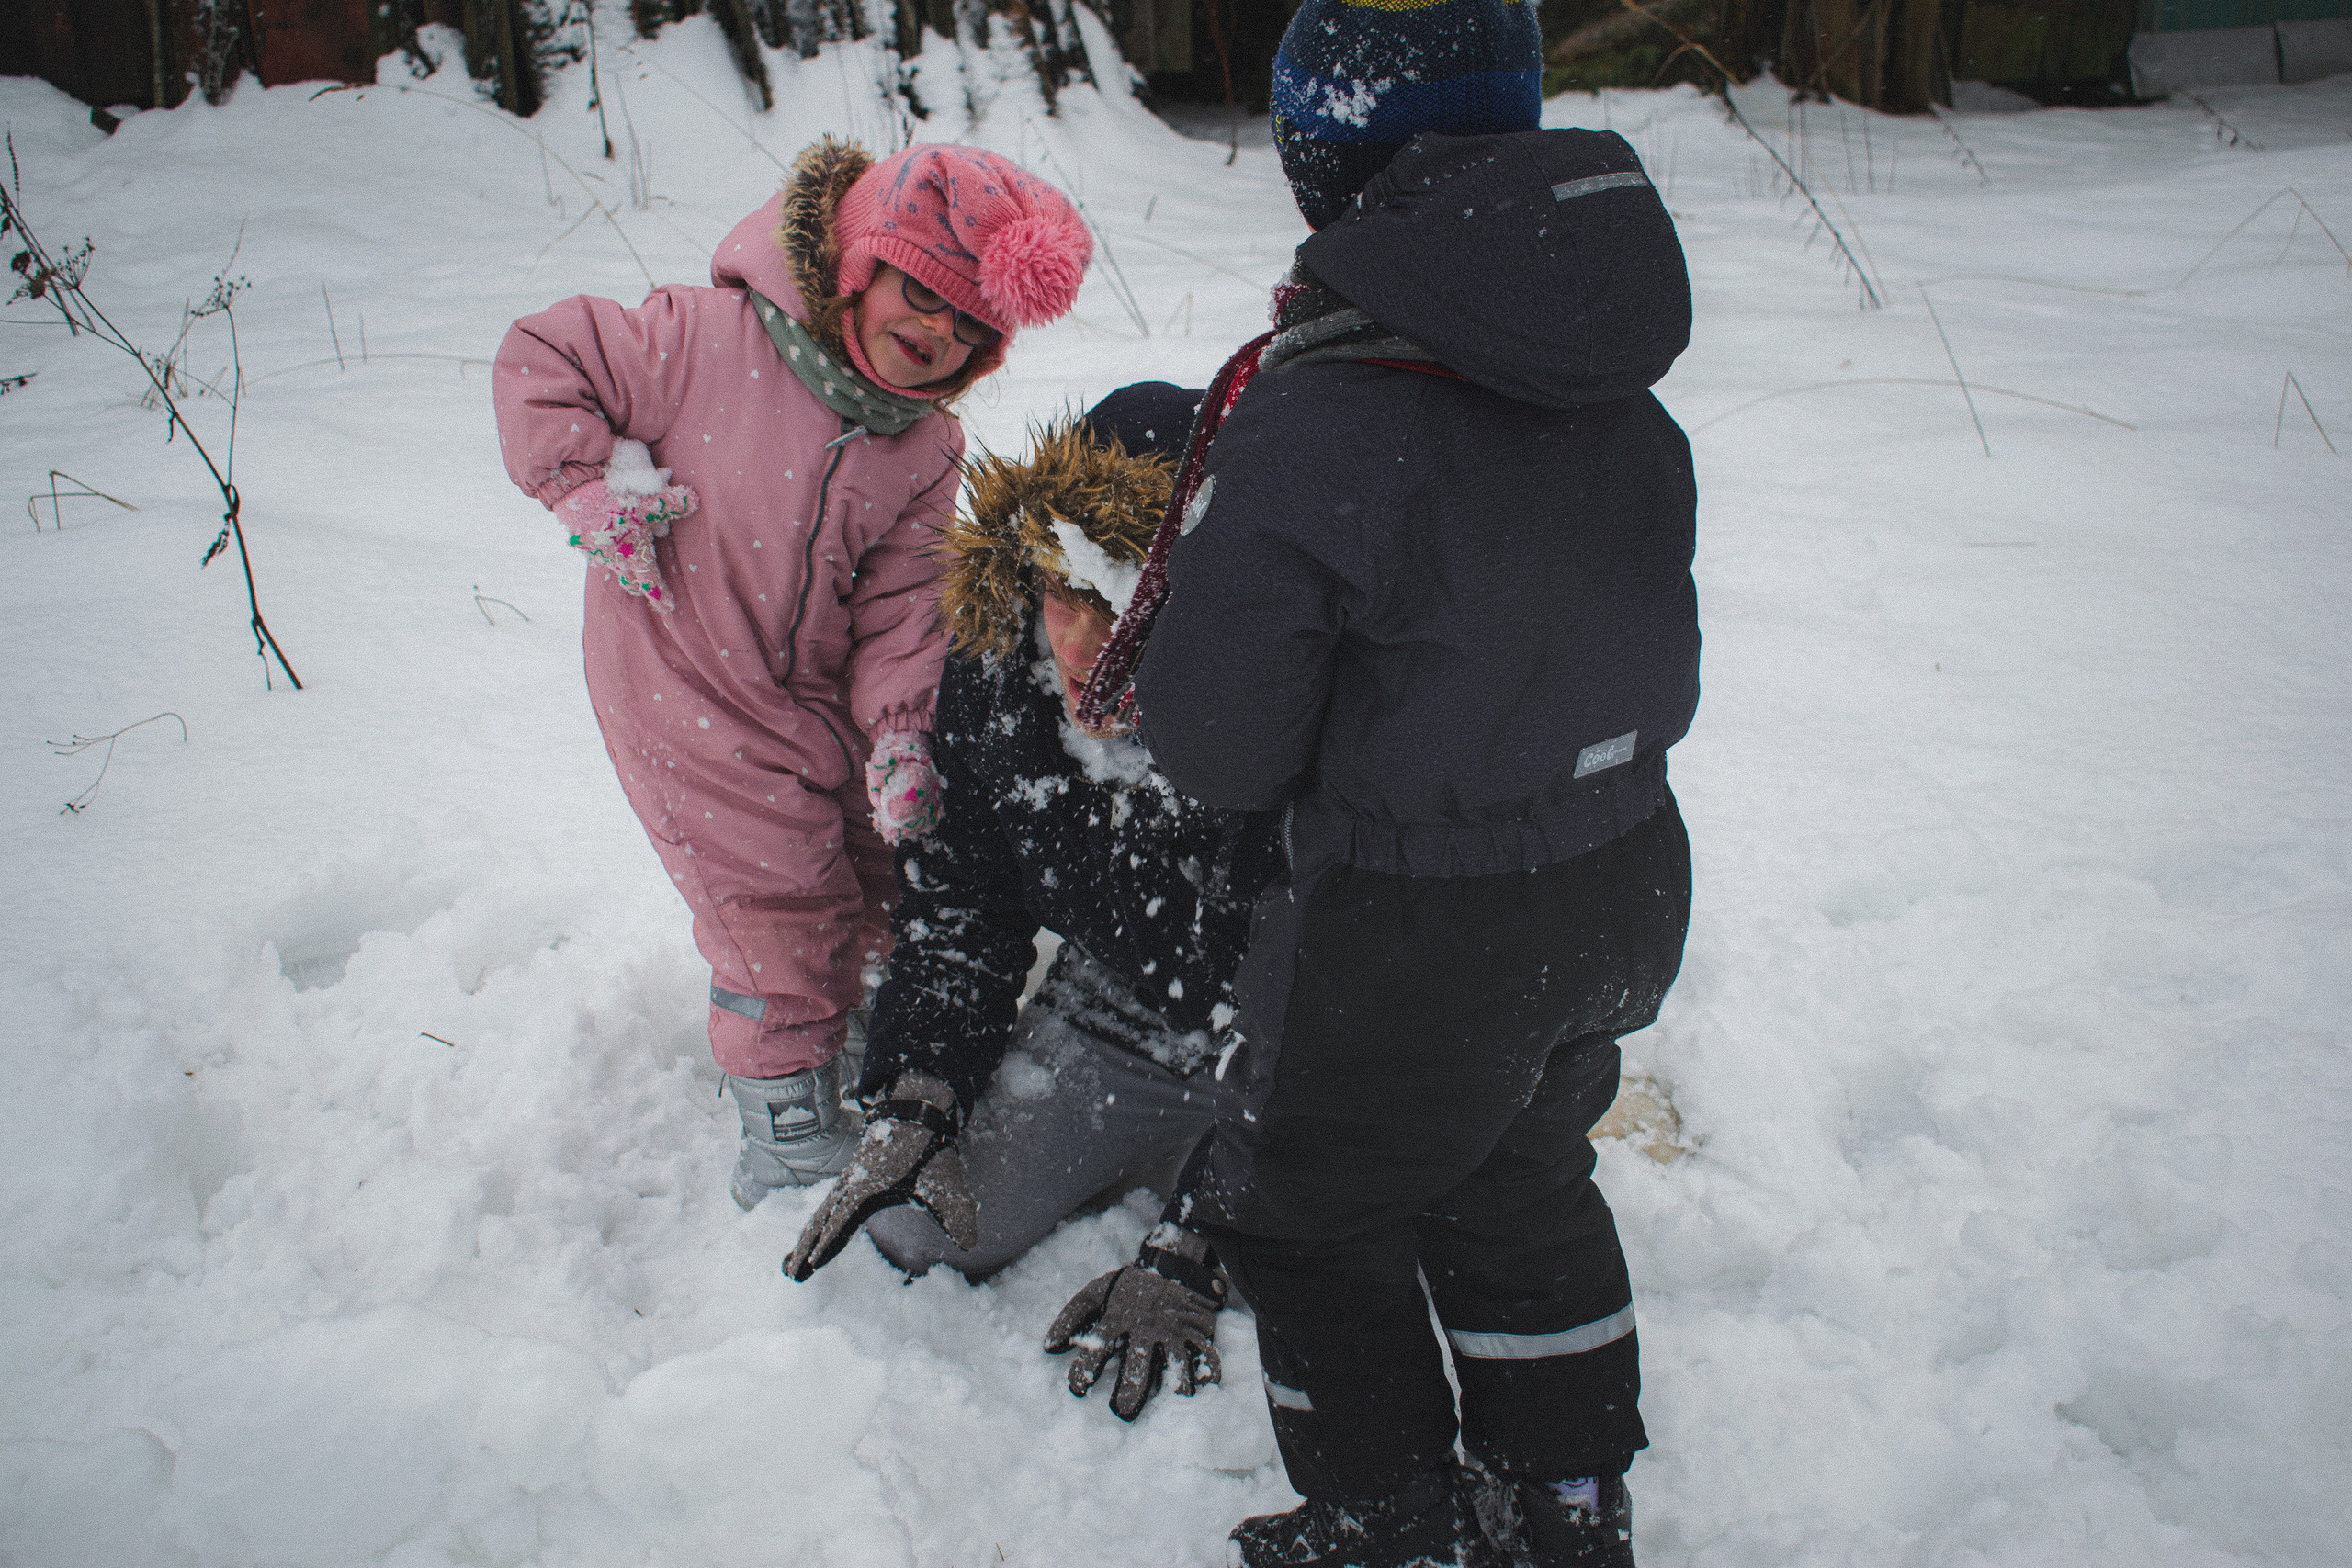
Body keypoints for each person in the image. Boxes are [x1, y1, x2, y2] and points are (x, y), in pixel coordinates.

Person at [1084, 2, 1702, 1562]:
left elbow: (1219, 743)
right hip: (1620, 880)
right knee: (1518, 1178)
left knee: (1314, 1214)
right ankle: (1564, 1503)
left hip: (1419, 929)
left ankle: (1380, 1519)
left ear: (1323, 156)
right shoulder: (1620, 389)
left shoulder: (1320, 411)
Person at [492, 139, 1090, 1210]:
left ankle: (856, 1018)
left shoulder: (924, 443)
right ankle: (782, 1130)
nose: (935, 333)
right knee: (774, 905)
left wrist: (904, 733)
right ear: (860, 266)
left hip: (812, 695)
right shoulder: (698, 340)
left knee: (879, 862)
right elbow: (547, 355)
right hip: (683, 681)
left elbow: (905, 603)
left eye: (969, 325)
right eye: (922, 294)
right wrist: (583, 488)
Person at [784, 385, 1286, 1423]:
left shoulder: (1285, 706)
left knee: (1345, 1268)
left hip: (1308, 1055)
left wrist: (1196, 1236)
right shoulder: (999, 673)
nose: (1080, 638)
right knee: (921, 1227)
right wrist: (920, 1094)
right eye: (1063, 587)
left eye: (1123, 598)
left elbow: (1330, 986)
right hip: (1128, 1011)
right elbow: (963, 906)